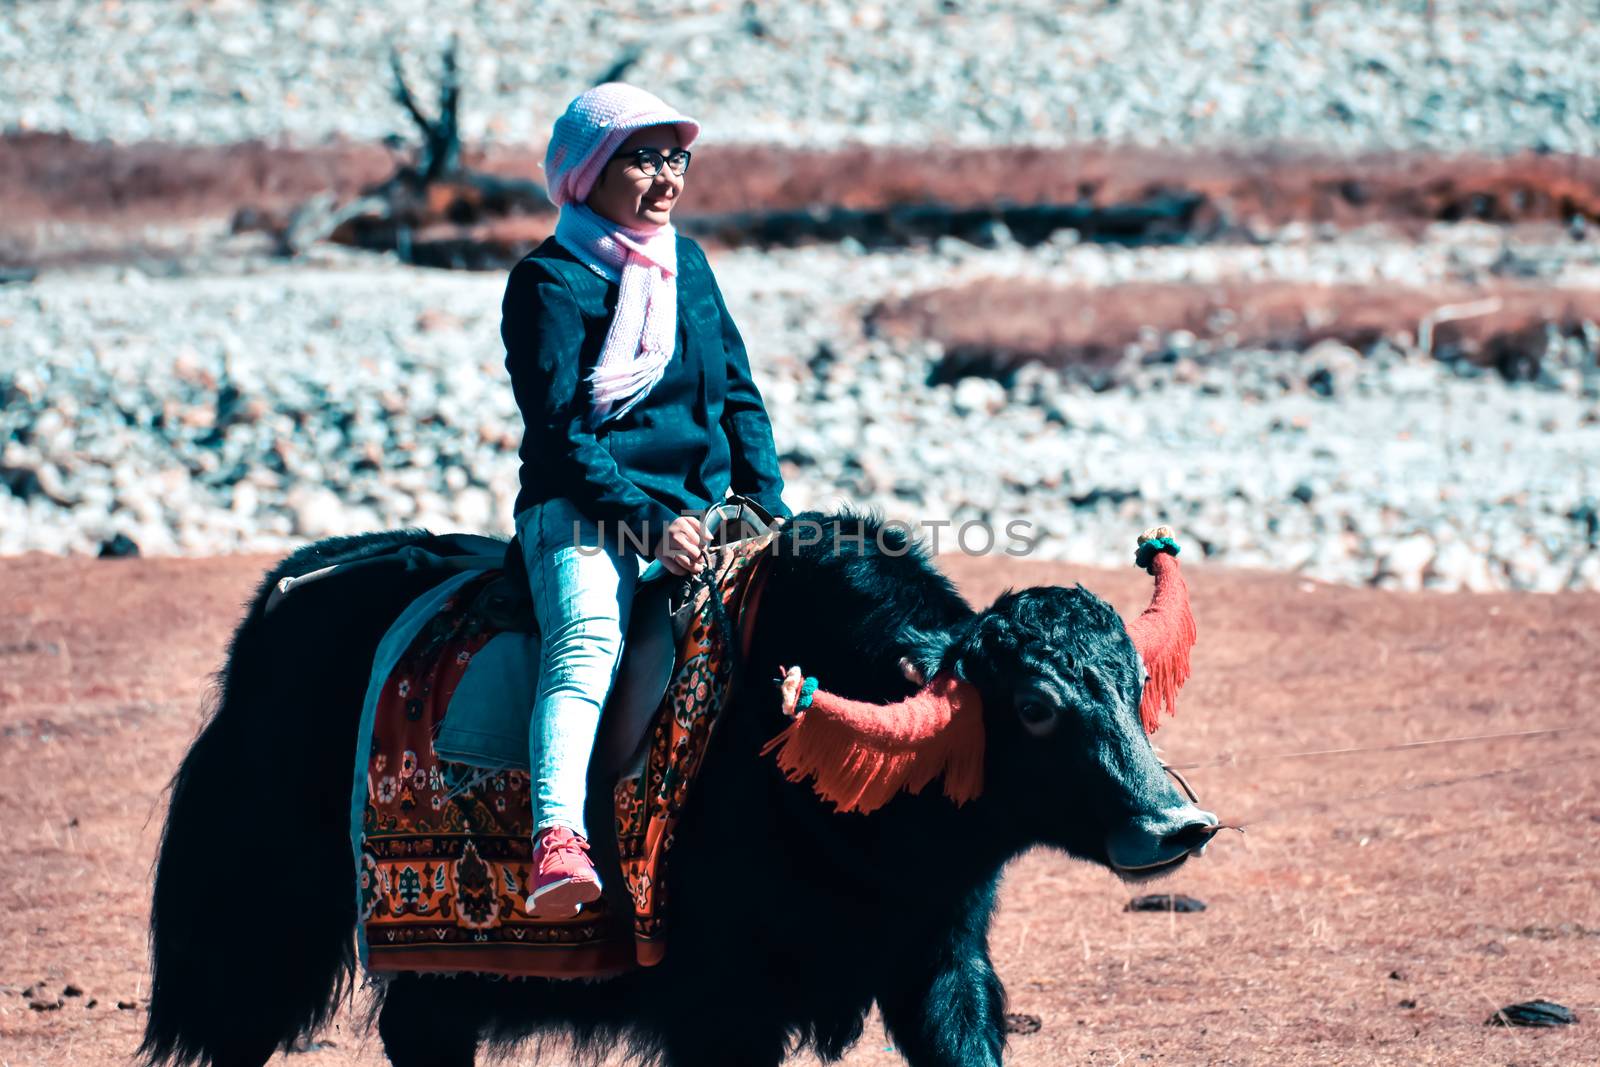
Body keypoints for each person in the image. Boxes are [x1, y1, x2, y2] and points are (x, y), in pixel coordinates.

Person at [502, 83, 791, 918]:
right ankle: (558, 837)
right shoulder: (549, 283)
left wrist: (764, 503)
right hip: (582, 509)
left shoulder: (688, 264)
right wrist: (649, 523)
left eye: (677, 159)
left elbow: (737, 393)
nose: (667, 180)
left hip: (700, 514)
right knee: (589, 639)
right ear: (587, 172)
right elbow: (560, 437)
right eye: (644, 159)